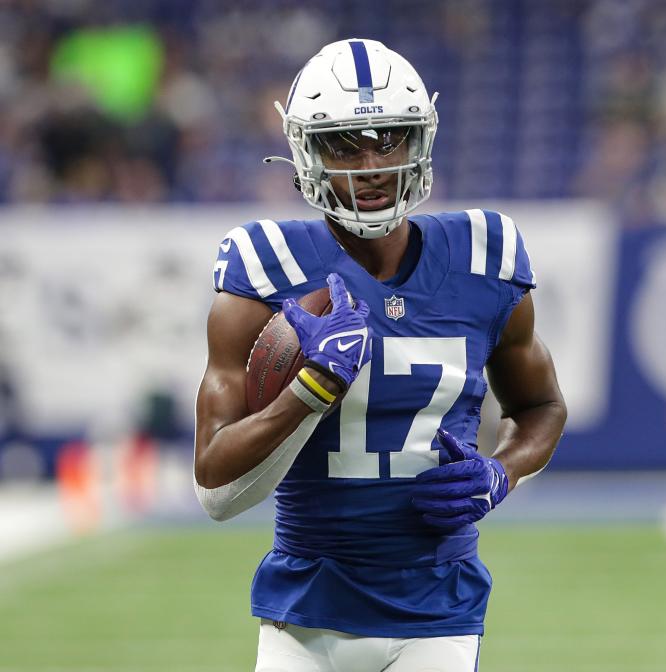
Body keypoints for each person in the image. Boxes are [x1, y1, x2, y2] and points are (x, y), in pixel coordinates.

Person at [192, 38, 566, 672]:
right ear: (305, 151)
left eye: (388, 138)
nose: (368, 164)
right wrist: (309, 390)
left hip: (438, 607)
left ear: (418, 143)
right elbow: (216, 486)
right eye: (343, 144)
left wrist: (502, 471)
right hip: (304, 609)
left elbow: (542, 407)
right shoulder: (266, 269)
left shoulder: (486, 256)